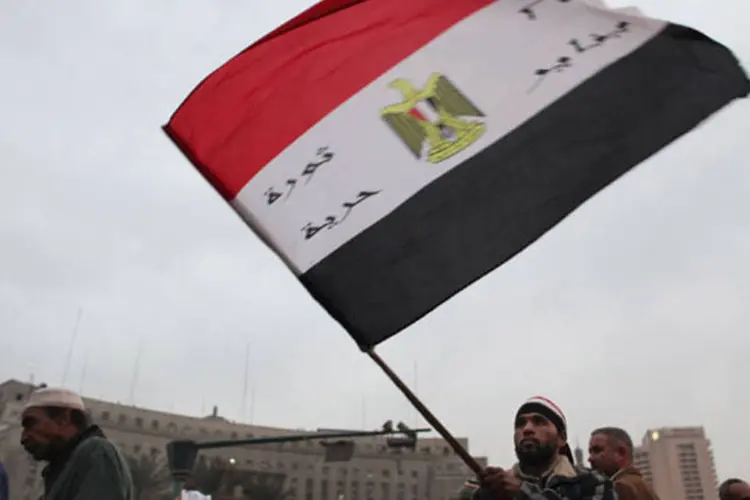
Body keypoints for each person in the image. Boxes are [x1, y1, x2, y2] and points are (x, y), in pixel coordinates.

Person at [473, 396, 616, 500]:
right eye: (520, 424)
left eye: (539, 422)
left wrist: (522, 493)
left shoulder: (593, 482)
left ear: (562, 438)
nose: (527, 429)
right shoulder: (495, 488)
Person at [20, 387, 134, 500]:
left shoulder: (97, 452)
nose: (23, 438)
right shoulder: (62, 471)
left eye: (31, 424)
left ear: (64, 419)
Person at [588, 427, 659, 500]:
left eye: (597, 450)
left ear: (621, 452)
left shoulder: (621, 487)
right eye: (590, 452)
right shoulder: (640, 484)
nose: (590, 458)